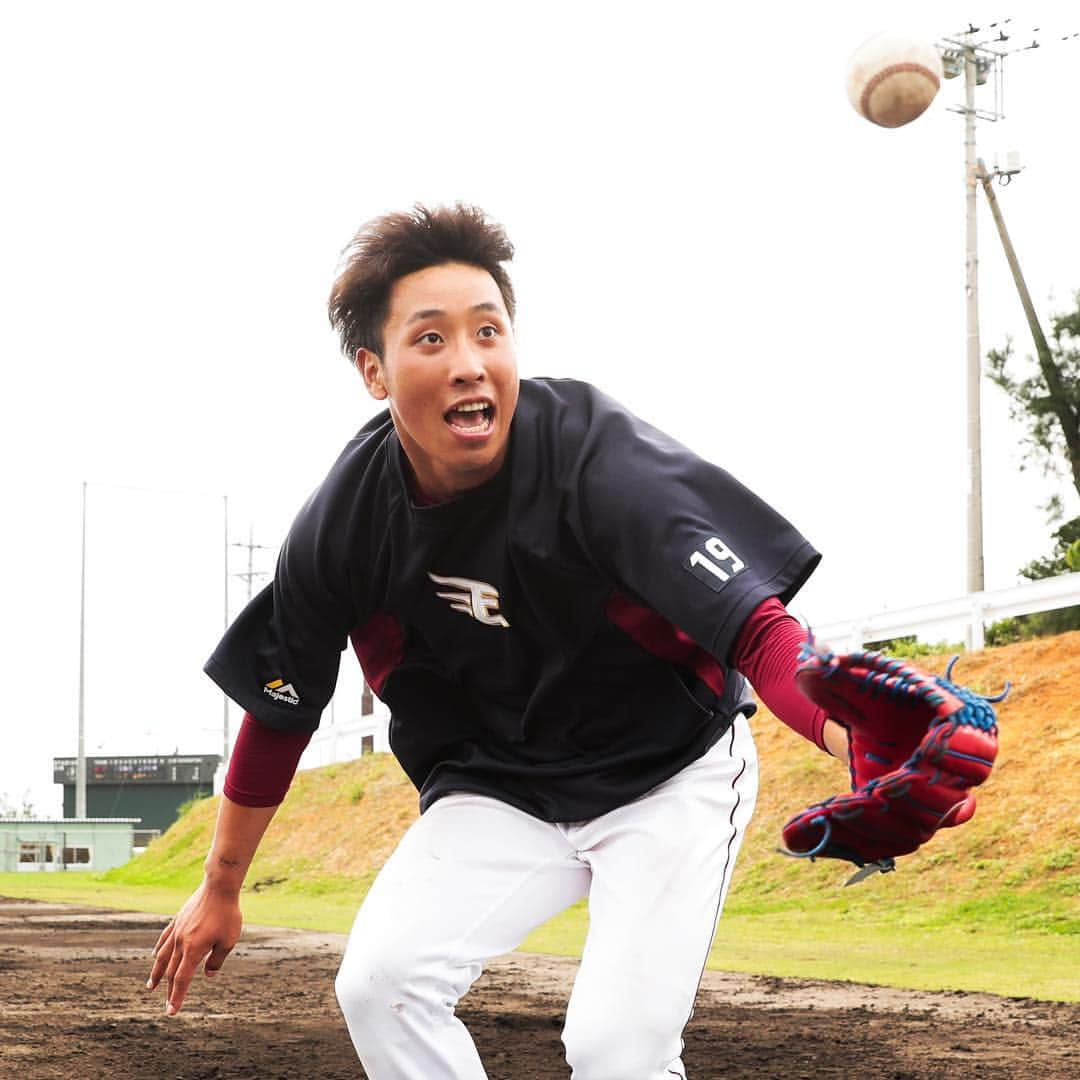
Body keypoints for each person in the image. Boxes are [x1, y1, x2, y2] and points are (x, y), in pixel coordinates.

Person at [146, 203, 849, 1079]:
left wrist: (852, 735)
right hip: (499, 785)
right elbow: (281, 708)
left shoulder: (594, 456)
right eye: (431, 340)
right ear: (375, 370)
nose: (471, 363)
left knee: (615, 1052)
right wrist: (219, 886)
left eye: (489, 331)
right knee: (382, 984)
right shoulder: (348, 520)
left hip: (666, 775)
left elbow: (753, 628)